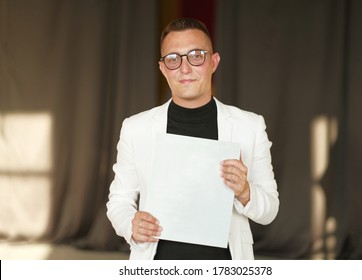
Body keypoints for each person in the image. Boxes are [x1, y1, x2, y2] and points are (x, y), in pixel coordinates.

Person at [106, 18, 279, 260]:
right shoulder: (136, 129)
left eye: (196, 55)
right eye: (173, 59)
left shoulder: (249, 126)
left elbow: (270, 210)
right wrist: (130, 224)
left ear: (213, 62)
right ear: (163, 68)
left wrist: (245, 191)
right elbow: (119, 201)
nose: (185, 69)